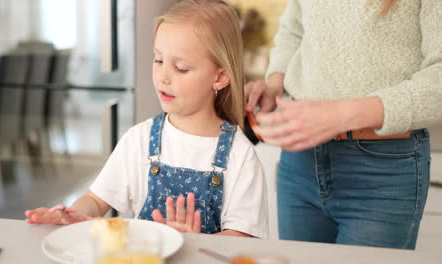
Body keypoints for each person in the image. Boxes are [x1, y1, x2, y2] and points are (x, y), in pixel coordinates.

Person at [25, 0, 268, 238]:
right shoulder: (139, 140)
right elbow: (96, 199)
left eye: (181, 68)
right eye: (159, 60)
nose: (163, 76)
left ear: (220, 77)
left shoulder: (240, 155)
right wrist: (70, 215)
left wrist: (194, 243)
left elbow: (242, 236)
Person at [245, 0, 439, 248]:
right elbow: (294, 29)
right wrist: (275, 83)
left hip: (383, 169)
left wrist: (339, 115)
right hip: (300, 162)